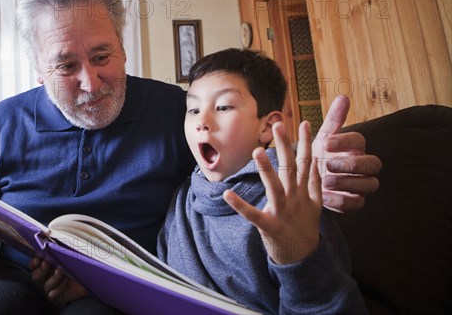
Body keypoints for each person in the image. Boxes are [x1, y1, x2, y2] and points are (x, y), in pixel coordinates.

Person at [0, 0, 380, 314]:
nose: (90, 81)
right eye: (65, 66)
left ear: (122, 47)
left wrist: (303, 164)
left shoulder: (174, 110)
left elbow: (233, 163)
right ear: (39, 70)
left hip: (118, 289)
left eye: (102, 56)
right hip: (16, 278)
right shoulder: (5, 120)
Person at [157, 48, 367, 314]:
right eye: (193, 109)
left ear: (267, 127)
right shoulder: (182, 199)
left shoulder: (290, 201)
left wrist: (299, 259)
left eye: (223, 107)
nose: (202, 122)